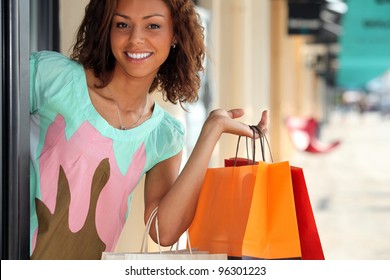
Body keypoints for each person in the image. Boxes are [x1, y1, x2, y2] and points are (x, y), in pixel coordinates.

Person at [29, 0, 268, 260]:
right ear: (106, 29)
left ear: (175, 33)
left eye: (153, 26)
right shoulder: (51, 76)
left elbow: (162, 231)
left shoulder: (163, 135)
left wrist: (213, 130)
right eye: (122, 24)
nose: (136, 39)